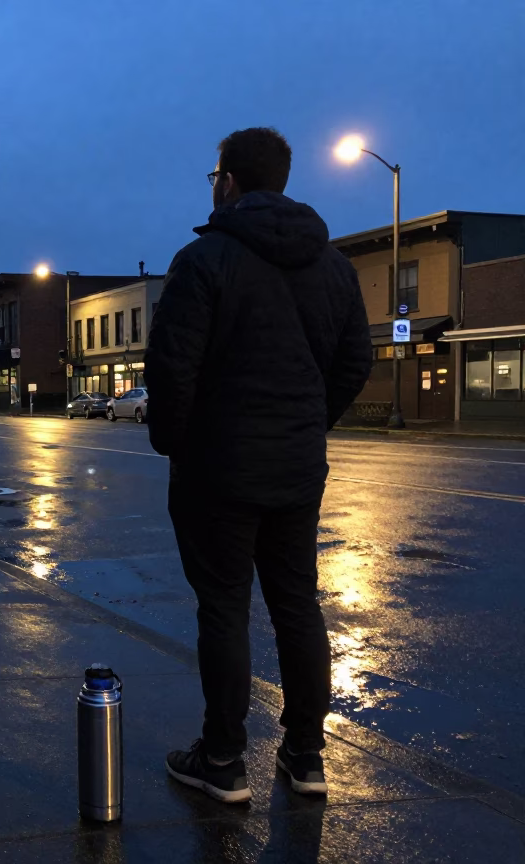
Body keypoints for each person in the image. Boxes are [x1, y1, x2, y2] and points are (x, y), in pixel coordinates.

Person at [145, 127, 372, 804]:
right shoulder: (334, 267)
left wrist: (179, 444)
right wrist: (305, 425)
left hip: (219, 470)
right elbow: (354, 363)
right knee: (297, 604)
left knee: (224, 609)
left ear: (229, 182)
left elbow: (171, 368)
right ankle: (306, 755)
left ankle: (223, 760)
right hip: (297, 470)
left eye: (214, 175)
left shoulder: (204, 260)